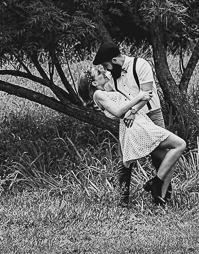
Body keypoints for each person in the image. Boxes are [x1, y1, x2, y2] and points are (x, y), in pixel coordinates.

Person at [77, 67, 187, 204]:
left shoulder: (106, 90)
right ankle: (155, 183)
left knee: (169, 159)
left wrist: (110, 75)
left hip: (140, 122)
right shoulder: (98, 95)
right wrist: (139, 97)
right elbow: (118, 112)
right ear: (94, 83)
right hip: (136, 126)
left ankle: (160, 198)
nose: (103, 72)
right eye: (98, 73)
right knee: (180, 144)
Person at [92, 41, 166, 202]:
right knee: (125, 158)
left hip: (151, 113)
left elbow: (147, 93)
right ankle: (122, 198)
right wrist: (101, 105)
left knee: (160, 155)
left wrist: (133, 110)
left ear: (114, 60)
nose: (105, 69)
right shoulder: (112, 76)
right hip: (130, 119)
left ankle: (162, 196)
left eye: (106, 65)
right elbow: (110, 96)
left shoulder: (141, 65)